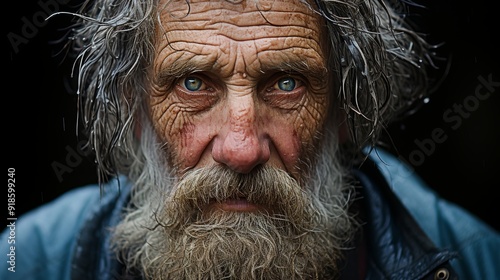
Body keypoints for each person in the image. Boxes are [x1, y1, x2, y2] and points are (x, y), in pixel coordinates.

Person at [2, 0, 499, 279]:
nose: (240, 149)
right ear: (135, 107)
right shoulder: (31, 262)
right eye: (193, 83)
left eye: (286, 83)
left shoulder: (479, 262)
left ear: (345, 108)